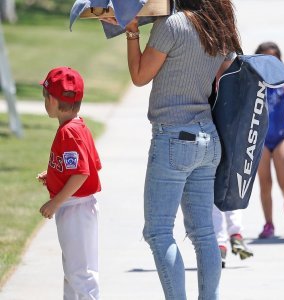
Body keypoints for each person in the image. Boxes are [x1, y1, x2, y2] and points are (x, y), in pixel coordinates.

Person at [104, 1, 241, 298]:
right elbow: (225, 78)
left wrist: (131, 33)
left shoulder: (172, 25)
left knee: (158, 231)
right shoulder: (219, 27)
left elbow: (140, 77)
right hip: (208, 138)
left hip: (174, 138)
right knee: (204, 233)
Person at [37, 66, 102, 299]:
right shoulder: (78, 126)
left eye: (45, 97)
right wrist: (54, 174)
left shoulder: (68, 132)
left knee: (81, 274)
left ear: (53, 101)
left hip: (75, 209)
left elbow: (81, 174)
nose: (45, 101)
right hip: (77, 207)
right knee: (73, 273)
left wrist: (54, 202)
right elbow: (88, 165)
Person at [255, 42, 284, 238]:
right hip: (260, 140)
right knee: (265, 184)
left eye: (274, 59)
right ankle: (269, 223)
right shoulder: (254, 84)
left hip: (280, 138)